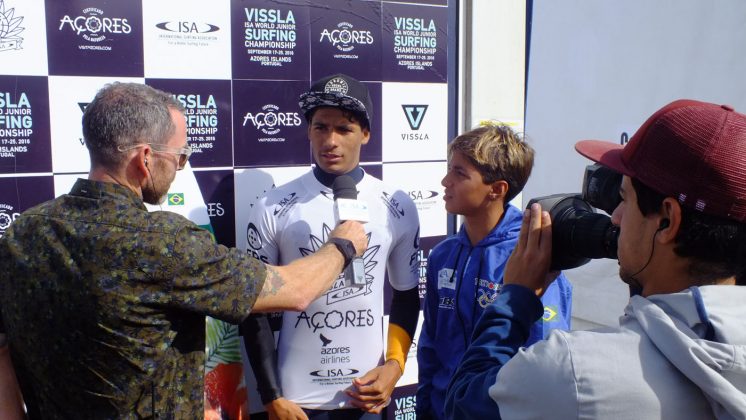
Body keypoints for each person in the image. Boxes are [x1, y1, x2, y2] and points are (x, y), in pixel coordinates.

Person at [0, 82, 368, 418]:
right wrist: (343, 245)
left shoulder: (20, 234)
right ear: (145, 159)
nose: (181, 165)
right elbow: (295, 290)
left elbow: (3, 356)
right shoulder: (162, 243)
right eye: (180, 154)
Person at [445, 99, 746, 419]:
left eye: (623, 199)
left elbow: (464, 403)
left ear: (668, 221)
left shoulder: (572, 372)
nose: (614, 218)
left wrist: (515, 299)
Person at [240, 74, 421, 419]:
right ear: (308, 131)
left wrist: (395, 367)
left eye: (344, 129)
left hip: (367, 396)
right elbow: (254, 306)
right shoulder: (273, 205)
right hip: (296, 400)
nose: (330, 141)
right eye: (321, 127)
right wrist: (271, 395)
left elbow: (407, 295)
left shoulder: (395, 205)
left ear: (366, 134)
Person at [416, 124, 572, 419]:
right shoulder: (442, 255)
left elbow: (545, 357)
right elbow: (430, 346)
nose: (445, 181)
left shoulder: (531, 255)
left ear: (497, 190)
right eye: (450, 169)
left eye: (460, 173)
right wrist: (425, 408)